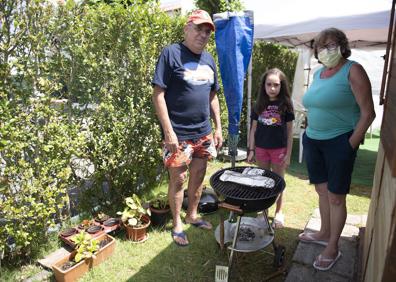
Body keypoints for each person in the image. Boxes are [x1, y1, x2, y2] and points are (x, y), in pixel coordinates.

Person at [299, 28, 375, 271]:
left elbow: (368, 113)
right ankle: (323, 231)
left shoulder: (353, 70)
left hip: (338, 142)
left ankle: (333, 246)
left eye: (332, 45)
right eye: (322, 46)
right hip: (313, 140)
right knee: (322, 191)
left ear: (342, 46)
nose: (326, 51)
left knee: (336, 196)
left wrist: (349, 145)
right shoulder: (320, 72)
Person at [152, 9, 223, 247]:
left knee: (199, 175)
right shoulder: (170, 54)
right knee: (179, 179)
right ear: (186, 28)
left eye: (207, 32)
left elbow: (213, 96)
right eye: (198, 29)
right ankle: (177, 224)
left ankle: (192, 214)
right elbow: (158, 94)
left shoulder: (209, 59)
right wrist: (169, 131)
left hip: (203, 133)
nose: (203, 35)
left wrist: (218, 127)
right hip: (179, 135)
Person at [247, 68, 294, 228]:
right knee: (263, 180)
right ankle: (263, 211)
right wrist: (251, 150)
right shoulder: (258, 104)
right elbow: (253, 128)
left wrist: (288, 154)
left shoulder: (286, 104)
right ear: (264, 86)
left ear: (282, 86)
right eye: (269, 84)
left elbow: (289, 131)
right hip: (261, 149)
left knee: (278, 181)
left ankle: (279, 213)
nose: (272, 88)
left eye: (276, 85)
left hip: (279, 150)